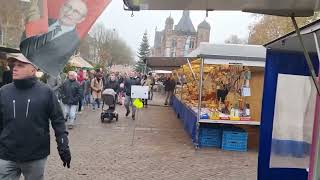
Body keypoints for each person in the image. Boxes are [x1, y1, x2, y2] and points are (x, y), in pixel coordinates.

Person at [0, 54, 71, 180]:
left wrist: (63, 146)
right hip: (7, 154)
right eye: (13, 65)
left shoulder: (46, 92)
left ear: (33, 70)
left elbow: (58, 120)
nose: (15, 68)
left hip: (35, 155)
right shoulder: (4, 91)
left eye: (20, 65)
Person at [20, 0, 88, 76]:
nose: (69, 13)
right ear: (61, 6)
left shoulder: (74, 42)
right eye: (68, 7)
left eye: (76, 12)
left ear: (82, 19)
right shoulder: (41, 21)